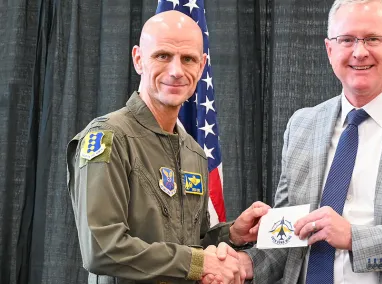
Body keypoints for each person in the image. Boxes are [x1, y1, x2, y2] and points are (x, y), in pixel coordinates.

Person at [205, 0, 382, 283]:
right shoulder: (302, 125)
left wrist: (354, 238)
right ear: (329, 49)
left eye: (373, 39)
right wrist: (246, 264)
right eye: (346, 40)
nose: (359, 52)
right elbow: (290, 240)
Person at [67, 10, 266, 284]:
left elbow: (187, 242)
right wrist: (198, 263)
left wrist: (231, 234)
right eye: (162, 56)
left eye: (188, 59)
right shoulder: (108, 137)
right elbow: (101, 249)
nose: (176, 71)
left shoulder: (193, 151)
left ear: (201, 65)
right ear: (138, 59)